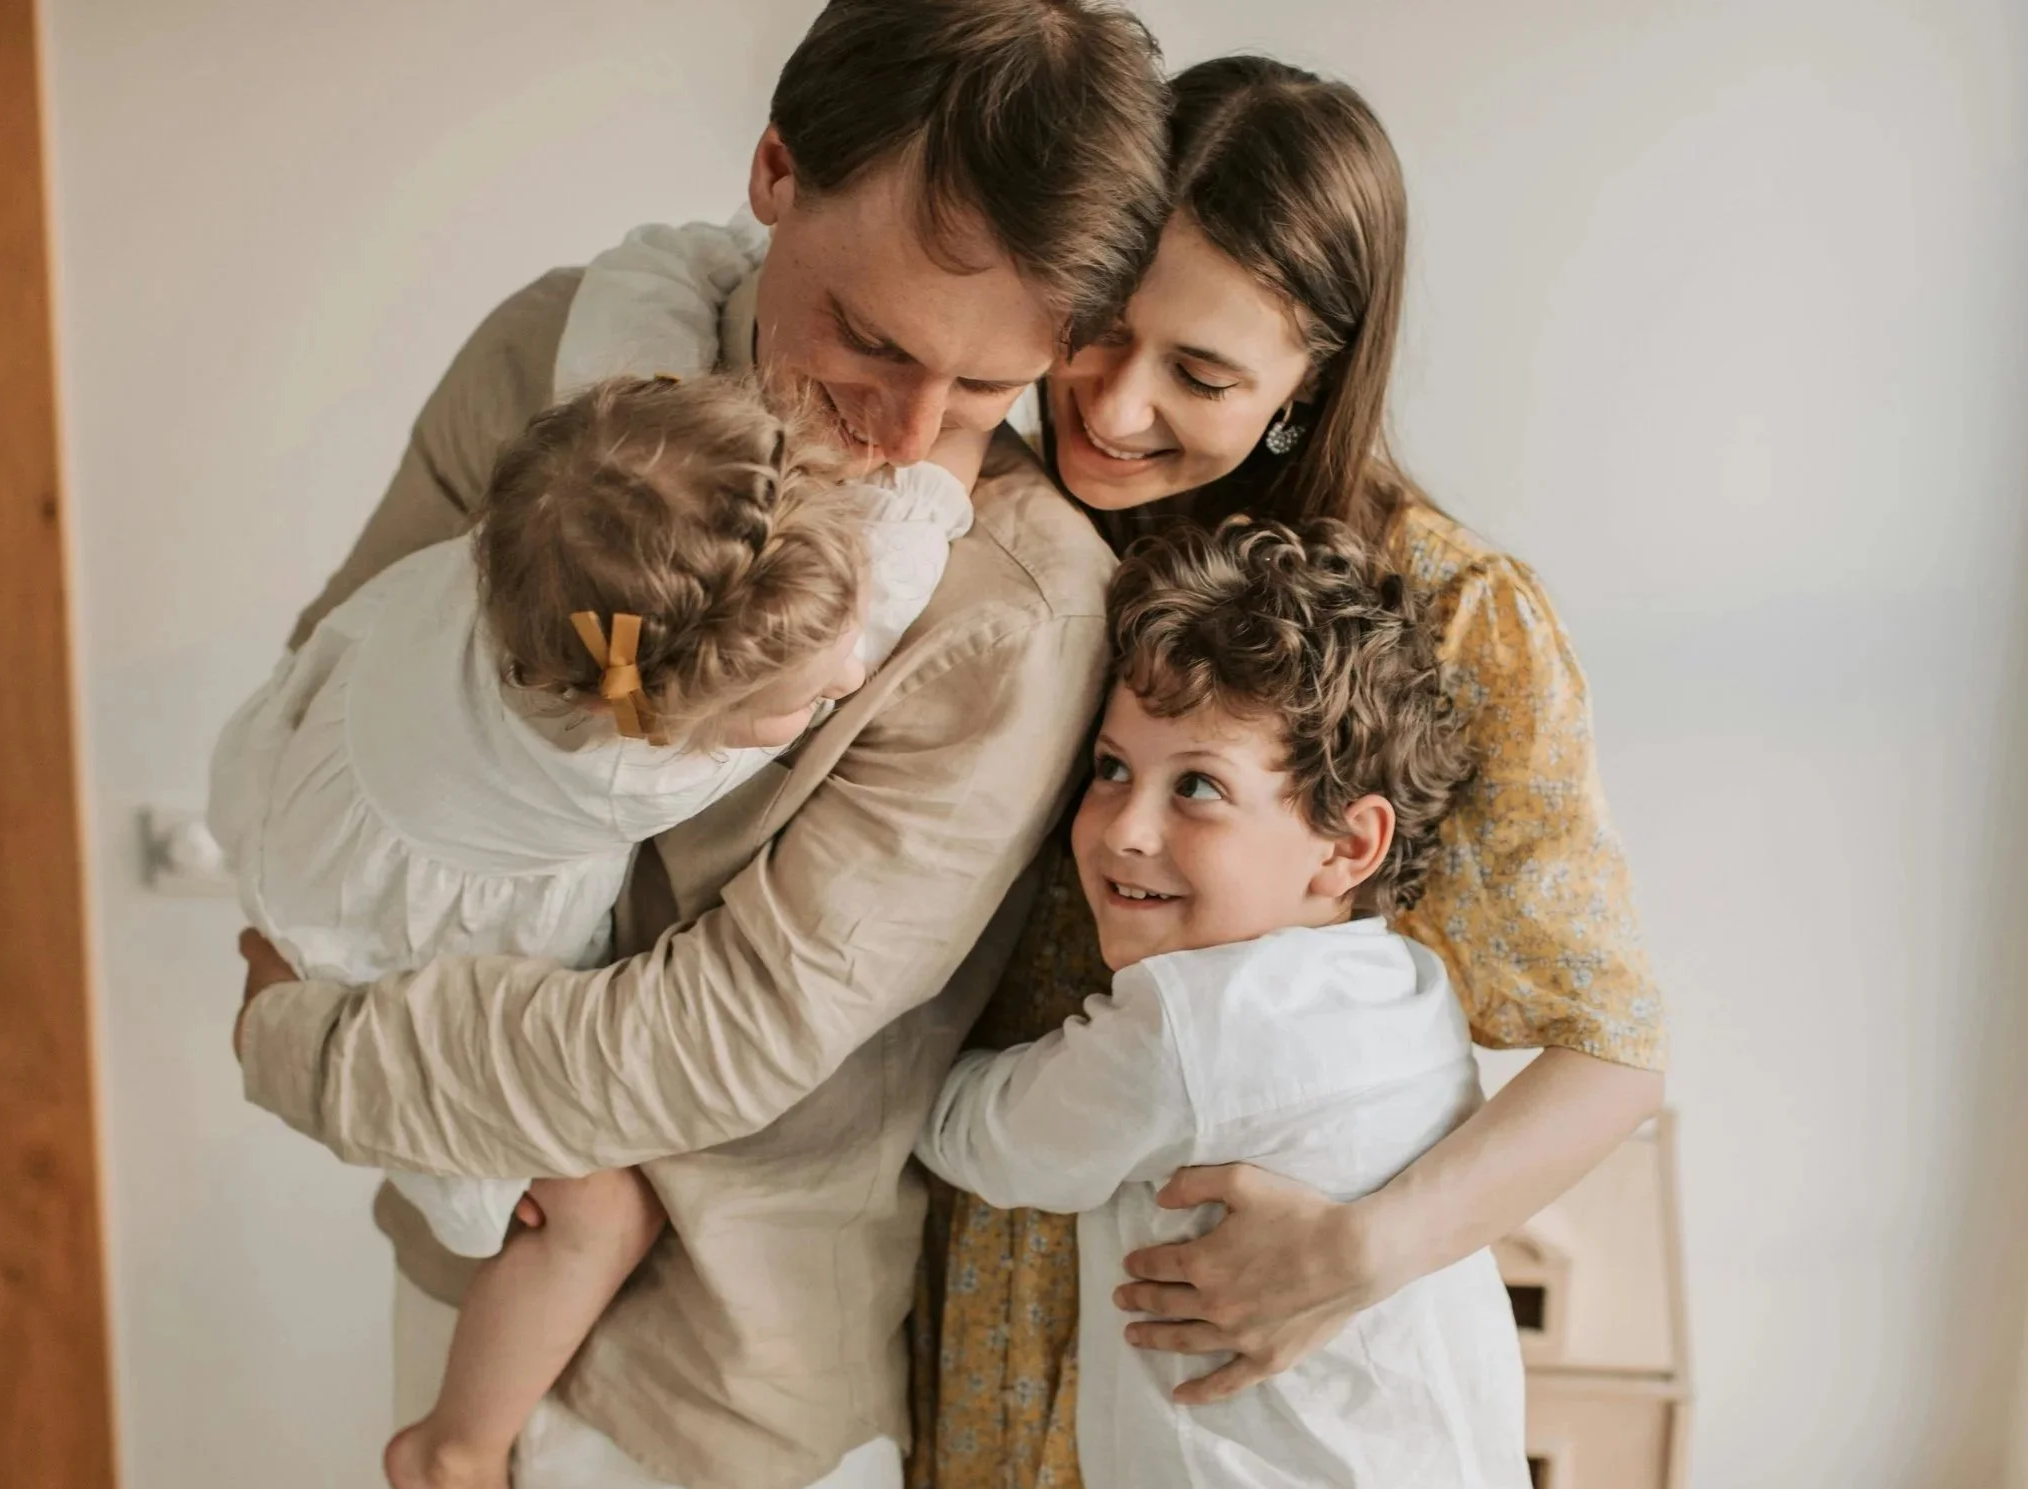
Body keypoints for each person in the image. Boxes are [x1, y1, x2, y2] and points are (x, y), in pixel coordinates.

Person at [231, 4, 1171, 1488]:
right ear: (776, 170)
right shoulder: (555, 351)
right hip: (462, 1260)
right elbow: (347, 688)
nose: (906, 432)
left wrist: (311, 1047)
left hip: (724, 1386)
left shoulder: (1015, 608)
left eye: (991, 392)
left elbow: (730, 1030)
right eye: (870, 338)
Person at [916, 56, 1669, 1488]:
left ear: (1305, 379)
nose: (1115, 406)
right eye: (1100, 330)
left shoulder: (1451, 616)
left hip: (1248, 1340)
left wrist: (1356, 1251)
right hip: (986, 1282)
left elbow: (1609, 1054)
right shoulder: (984, 525)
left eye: (1200, 372)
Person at [211, 370, 984, 1489]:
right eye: (808, 703)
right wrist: (964, 428)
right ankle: (454, 1443)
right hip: (373, 939)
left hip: (300, 815)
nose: (853, 675)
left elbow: (640, 294)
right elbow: (911, 547)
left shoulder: (552, 530)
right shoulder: (624, 766)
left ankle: (282, 948)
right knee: (597, 1211)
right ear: (663, 718)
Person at [915, 517, 1529, 1489]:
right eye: (1110, 768)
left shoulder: (1193, 1026)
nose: (1126, 827)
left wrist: (895, 1025)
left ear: (1347, 845)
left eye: (1196, 785)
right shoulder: (1408, 989)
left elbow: (974, 1132)